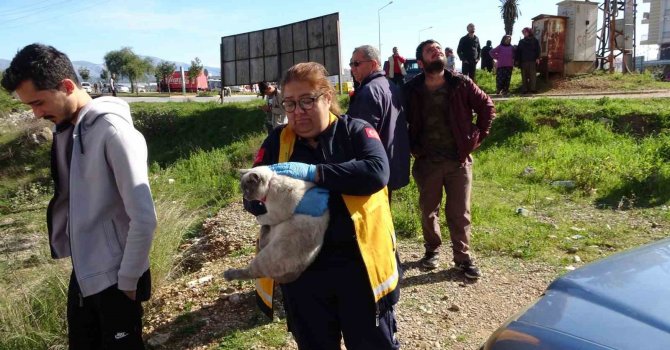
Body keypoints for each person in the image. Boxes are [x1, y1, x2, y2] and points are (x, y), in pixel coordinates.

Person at [1, 44, 157, 349]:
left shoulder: (113, 131)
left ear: (67, 86)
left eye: (38, 102)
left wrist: (127, 282)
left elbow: (144, 218)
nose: (36, 113)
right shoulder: (68, 129)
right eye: (29, 106)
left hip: (116, 279)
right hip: (86, 274)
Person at [246, 62, 401, 349]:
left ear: (327, 98)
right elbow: (251, 196)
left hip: (359, 269)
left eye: (307, 100)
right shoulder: (277, 142)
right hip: (304, 276)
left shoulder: (355, 132)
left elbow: (376, 172)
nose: (297, 111)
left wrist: (314, 174)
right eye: (289, 104)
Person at [402, 39, 495, 279]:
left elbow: (486, 106)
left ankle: (462, 259)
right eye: (430, 50)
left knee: (459, 212)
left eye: (439, 49)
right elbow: (398, 119)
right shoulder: (411, 89)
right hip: (427, 161)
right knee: (428, 210)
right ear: (421, 62)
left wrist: (478, 136)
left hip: (458, 161)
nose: (437, 51)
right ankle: (432, 250)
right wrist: (409, 145)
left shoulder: (461, 83)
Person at [347, 45, 410, 201]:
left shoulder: (369, 91)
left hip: (373, 169)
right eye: (350, 64)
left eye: (356, 63)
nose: (352, 69)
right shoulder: (390, 85)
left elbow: (358, 136)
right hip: (391, 162)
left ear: (373, 64)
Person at [517, 27, 540, 94]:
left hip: (532, 61)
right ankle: (525, 89)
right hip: (523, 61)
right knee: (524, 76)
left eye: (525, 32)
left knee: (533, 76)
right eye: (523, 32)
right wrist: (517, 60)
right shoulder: (521, 42)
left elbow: (538, 50)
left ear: (529, 32)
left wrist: (537, 58)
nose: (524, 33)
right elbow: (518, 52)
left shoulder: (534, 40)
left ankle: (533, 89)